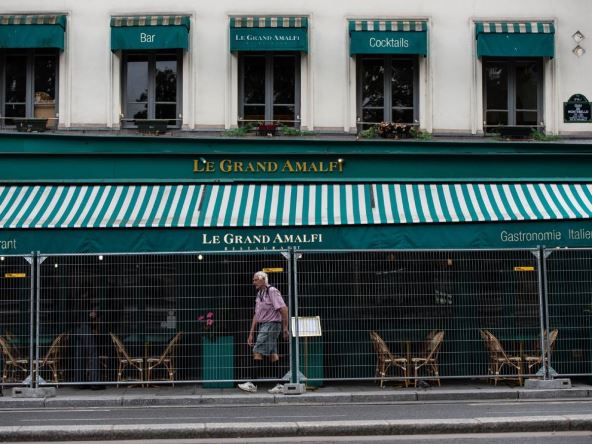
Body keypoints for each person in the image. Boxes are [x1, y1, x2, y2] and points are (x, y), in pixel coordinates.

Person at [238, 271, 289, 394]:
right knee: (273, 354)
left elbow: (283, 309)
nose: (253, 282)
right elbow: (257, 314)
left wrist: (285, 328)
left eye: (256, 279)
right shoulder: (260, 294)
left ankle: (252, 383)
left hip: (271, 325)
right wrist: (251, 333)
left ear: (263, 280)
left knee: (257, 350)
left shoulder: (272, 291)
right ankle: (281, 384)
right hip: (264, 326)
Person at [73, 293, 105, 390]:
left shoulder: (77, 301)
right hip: (85, 329)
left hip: (76, 329)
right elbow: (93, 315)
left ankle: (79, 382)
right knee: (93, 354)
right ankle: (95, 383)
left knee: (79, 355)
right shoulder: (88, 302)